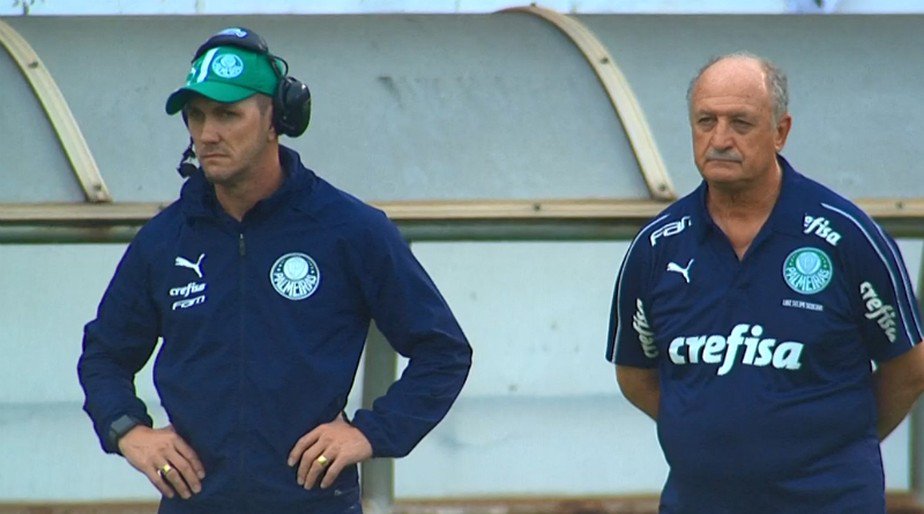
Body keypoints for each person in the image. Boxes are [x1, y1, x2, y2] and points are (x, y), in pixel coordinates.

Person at [78, 27, 472, 514]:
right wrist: (127, 430)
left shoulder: (349, 230)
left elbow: (443, 352)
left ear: (276, 119)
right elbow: (104, 355)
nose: (207, 134)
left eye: (227, 114)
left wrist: (370, 433)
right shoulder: (164, 240)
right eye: (196, 116)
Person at [606, 52, 924, 513]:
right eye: (705, 121)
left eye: (740, 122)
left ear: (780, 131)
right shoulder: (658, 247)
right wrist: (707, 436)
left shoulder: (848, 237)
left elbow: (908, 370)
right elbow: (636, 373)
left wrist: (836, 445)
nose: (720, 139)